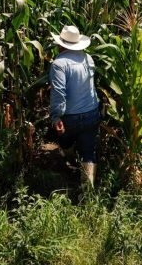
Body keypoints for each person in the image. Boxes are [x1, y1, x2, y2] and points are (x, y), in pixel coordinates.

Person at [50, 25, 100, 190]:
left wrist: (56, 116)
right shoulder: (88, 58)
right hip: (92, 113)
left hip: (70, 117)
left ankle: (70, 161)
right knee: (88, 153)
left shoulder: (59, 64)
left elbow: (59, 92)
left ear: (61, 44)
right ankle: (87, 192)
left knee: (65, 140)